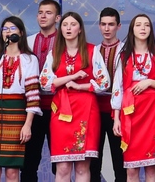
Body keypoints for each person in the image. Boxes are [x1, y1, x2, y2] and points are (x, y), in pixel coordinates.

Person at [42, 12, 111, 182]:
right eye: (65, 25)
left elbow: (104, 82)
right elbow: (44, 82)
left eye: (73, 25)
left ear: (80, 29)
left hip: (86, 109)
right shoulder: (54, 53)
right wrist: (71, 77)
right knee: (63, 166)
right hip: (61, 110)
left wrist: (80, 86)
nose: (68, 28)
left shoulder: (92, 50)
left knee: (82, 166)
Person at [0, 16, 42, 182]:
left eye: (12, 29)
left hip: (16, 112)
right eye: (5, 29)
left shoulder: (29, 59)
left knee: (12, 171)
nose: (8, 32)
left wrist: (27, 125)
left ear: (21, 33)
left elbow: (33, 95)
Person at [112, 14, 155, 182]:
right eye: (138, 25)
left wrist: (150, 82)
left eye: (146, 25)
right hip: (131, 114)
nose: (143, 28)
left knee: (151, 167)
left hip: (153, 113)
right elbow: (117, 88)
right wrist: (116, 118)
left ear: (151, 30)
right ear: (132, 29)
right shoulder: (123, 56)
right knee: (131, 169)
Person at [25, 0, 61, 182]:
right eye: (40, 12)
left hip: (59, 107)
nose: (43, 16)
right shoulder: (28, 42)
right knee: (29, 159)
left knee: (60, 160)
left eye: (48, 13)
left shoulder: (65, 41)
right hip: (33, 107)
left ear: (58, 18)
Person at [92, 7, 125, 182]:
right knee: (93, 160)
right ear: (99, 26)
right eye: (103, 24)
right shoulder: (93, 51)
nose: (106, 28)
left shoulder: (126, 51)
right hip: (95, 110)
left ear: (118, 26)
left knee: (120, 160)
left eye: (111, 24)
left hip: (117, 112)